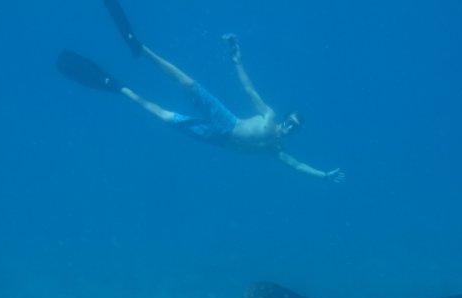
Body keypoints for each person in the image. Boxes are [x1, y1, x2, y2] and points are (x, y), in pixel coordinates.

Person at [57, 0, 345, 182]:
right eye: (290, 122)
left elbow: (297, 166)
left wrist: (322, 175)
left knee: (165, 117)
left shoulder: (276, 149)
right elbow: (248, 88)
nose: (289, 127)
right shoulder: (269, 117)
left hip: (215, 140)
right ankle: (140, 48)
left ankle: (119, 87)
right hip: (226, 122)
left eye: (294, 128)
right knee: (188, 84)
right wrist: (237, 58)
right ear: (285, 119)